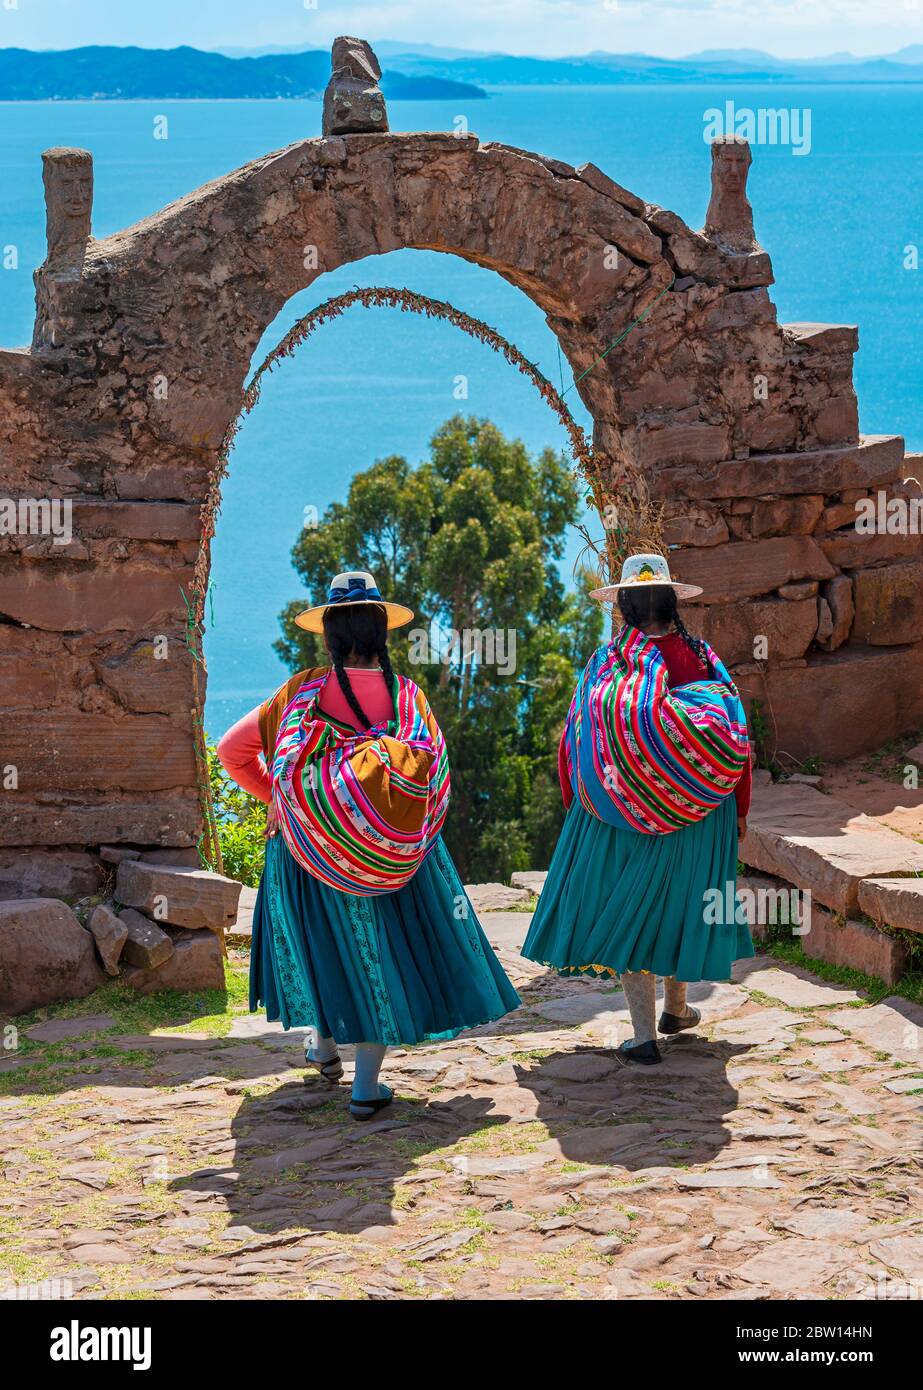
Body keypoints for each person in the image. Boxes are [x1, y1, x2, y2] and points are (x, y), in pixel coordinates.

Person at [217, 570, 520, 1117]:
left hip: (301, 851)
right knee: (379, 954)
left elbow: (231, 752)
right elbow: (432, 778)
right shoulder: (409, 699)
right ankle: (366, 1087)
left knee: (319, 946)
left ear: (329, 635)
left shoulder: (298, 696)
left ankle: (324, 1045)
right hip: (396, 857)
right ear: (383, 632)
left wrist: (290, 803)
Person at [521, 552, 754, 1066]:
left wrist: (580, 805)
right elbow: (738, 739)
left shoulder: (609, 663)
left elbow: (576, 740)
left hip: (618, 810)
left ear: (624, 605)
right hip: (701, 808)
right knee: (680, 907)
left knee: (631, 915)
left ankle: (645, 1035)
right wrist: (738, 808)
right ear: (672, 602)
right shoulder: (703, 658)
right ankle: (677, 1008)